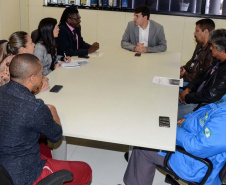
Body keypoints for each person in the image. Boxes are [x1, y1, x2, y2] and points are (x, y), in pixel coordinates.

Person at [0, 53, 92, 185]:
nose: (43, 77)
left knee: (45, 150)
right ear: (32, 78)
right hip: (23, 176)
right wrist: (53, 112)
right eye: (40, 74)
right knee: (85, 170)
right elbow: (55, 136)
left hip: (4, 165)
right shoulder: (34, 107)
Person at [124, 94, 226, 185]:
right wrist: (185, 121)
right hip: (192, 150)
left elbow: (197, 147)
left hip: (194, 165)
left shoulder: (223, 121)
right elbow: (206, 116)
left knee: (143, 147)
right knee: (154, 129)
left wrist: (175, 128)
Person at [178, 29, 226, 119]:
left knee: (171, 114)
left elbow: (210, 95)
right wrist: (188, 89)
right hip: (195, 96)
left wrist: (187, 97)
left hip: (203, 106)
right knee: (168, 101)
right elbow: (201, 76)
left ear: (222, 51)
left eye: (212, 46)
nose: (210, 48)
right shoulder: (218, 61)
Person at [180, 19, 215, 83]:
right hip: (187, 77)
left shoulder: (211, 51)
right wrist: (182, 68)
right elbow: (192, 61)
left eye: (197, 31)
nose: (194, 33)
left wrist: (184, 74)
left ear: (206, 32)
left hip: (192, 84)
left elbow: (202, 77)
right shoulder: (199, 45)